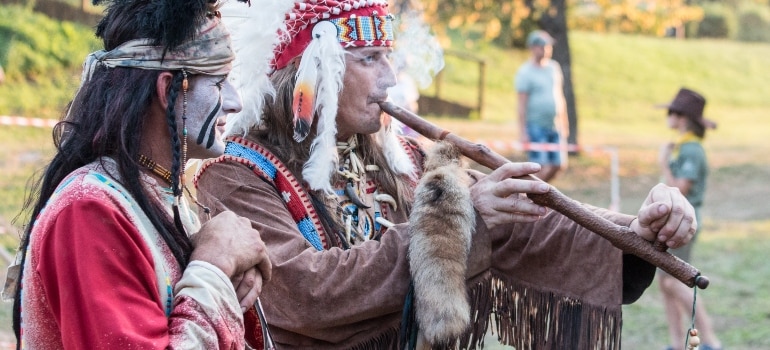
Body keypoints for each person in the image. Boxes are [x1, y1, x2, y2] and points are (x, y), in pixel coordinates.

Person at [195, 1, 697, 348]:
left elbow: (523, 230)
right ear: (313, 72)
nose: (390, 79)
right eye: (369, 59)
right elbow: (303, 295)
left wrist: (632, 234)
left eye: (388, 58)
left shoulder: (403, 158)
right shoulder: (236, 175)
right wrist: (458, 221)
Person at [7, 0, 272, 348]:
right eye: (220, 83)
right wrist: (216, 265)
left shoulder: (155, 194)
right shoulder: (87, 211)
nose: (235, 102)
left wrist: (231, 264)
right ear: (167, 90)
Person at [657, 88, 722, 350]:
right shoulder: (684, 145)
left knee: (674, 281)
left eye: (671, 112)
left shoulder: (692, 150)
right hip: (673, 222)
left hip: (682, 223)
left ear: (682, 118)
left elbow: (679, 188)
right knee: (665, 283)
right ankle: (676, 343)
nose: (667, 116)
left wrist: (663, 162)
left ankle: (710, 342)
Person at [515, 29, 568, 182]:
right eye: (542, 46)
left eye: (548, 46)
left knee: (559, 164)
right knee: (540, 166)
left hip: (554, 125)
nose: (546, 49)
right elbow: (521, 104)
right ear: (532, 48)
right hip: (535, 126)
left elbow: (560, 96)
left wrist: (564, 123)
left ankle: (539, 194)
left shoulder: (554, 68)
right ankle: (531, 196)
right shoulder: (525, 72)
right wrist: (523, 131)